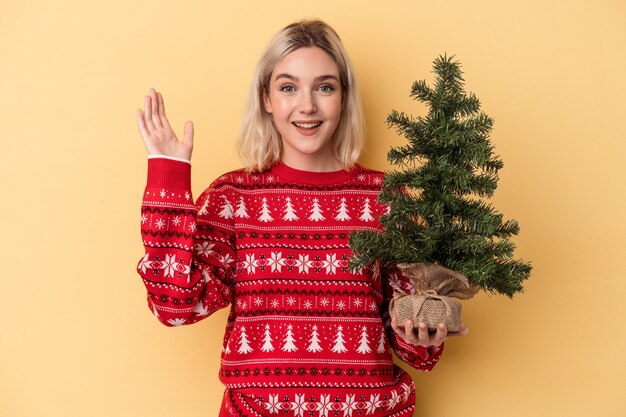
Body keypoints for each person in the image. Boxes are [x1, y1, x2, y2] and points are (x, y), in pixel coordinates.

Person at [136, 19, 468, 416]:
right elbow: (175, 306)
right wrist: (168, 172)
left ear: (344, 96)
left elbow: (416, 351)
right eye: (288, 87)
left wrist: (423, 334)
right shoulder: (233, 198)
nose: (307, 105)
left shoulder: (385, 199)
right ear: (266, 98)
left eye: (324, 86)